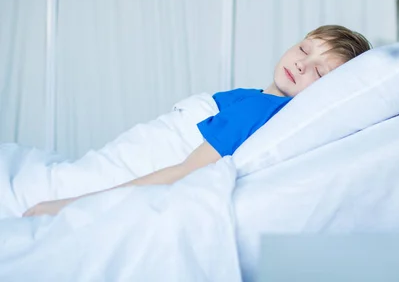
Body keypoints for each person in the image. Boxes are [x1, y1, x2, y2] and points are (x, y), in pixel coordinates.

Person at [23, 25, 372, 217]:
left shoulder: (261, 111)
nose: (301, 64)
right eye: (304, 49)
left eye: (320, 71)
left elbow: (184, 171)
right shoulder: (258, 98)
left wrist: (67, 206)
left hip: (116, 180)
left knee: (45, 185)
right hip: (124, 161)